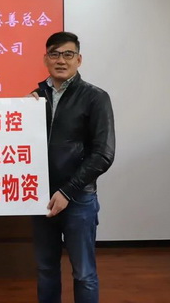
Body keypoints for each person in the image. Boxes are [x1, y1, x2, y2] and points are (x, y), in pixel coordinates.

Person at [31, 31, 115, 303]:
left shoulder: (95, 97)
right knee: (45, 269)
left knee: (84, 273)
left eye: (68, 54)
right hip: (41, 199)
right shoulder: (35, 99)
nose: (61, 60)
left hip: (78, 199)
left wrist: (68, 191)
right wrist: (21, 113)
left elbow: (103, 154)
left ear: (79, 60)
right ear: (45, 59)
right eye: (54, 54)